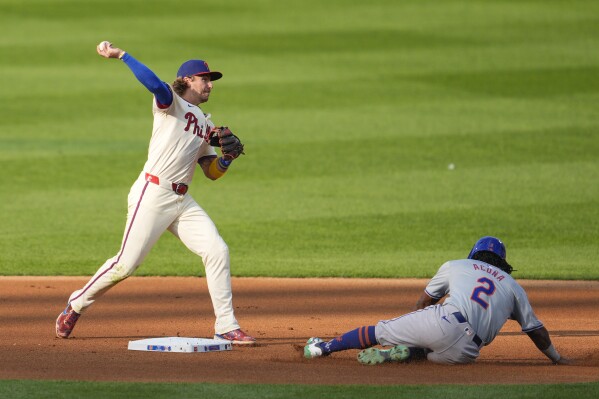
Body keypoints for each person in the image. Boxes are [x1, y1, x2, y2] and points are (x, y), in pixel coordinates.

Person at [55, 41, 255, 344]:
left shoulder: (204, 124)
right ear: (187, 80)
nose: (209, 85)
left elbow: (210, 172)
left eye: (211, 80)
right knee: (125, 265)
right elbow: (153, 84)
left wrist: (226, 158)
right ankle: (77, 303)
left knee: (217, 250)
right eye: (204, 78)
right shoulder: (170, 102)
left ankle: (226, 324)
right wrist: (122, 55)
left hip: (181, 200)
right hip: (152, 193)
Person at [304, 236, 570, 365]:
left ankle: (322, 348)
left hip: (444, 322)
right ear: (503, 262)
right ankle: (405, 353)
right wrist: (557, 359)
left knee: (381, 330)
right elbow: (537, 332)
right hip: (465, 353)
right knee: (428, 354)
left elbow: (424, 303)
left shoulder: (457, 265)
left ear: (474, 253)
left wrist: (408, 328)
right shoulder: (514, 288)